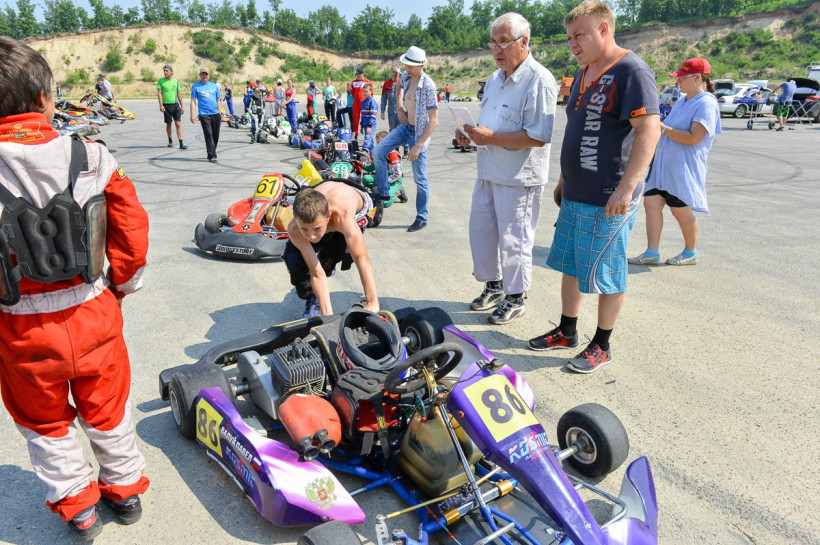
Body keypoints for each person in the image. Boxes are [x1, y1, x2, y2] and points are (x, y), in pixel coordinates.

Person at [0, 37, 150, 540]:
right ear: (46, 97)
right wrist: (122, 286)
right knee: (107, 405)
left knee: (44, 421)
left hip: (20, 326)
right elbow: (131, 230)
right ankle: (124, 489)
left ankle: (77, 505)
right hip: (93, 312)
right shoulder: (93, 156)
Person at [530, 1, 661, 373]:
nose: (572, 43)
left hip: (609, 196)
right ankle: (567, 330)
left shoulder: (631, 70)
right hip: (576, 191)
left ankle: (602, 344)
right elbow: (579, 128)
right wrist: (564, 178)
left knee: (608, 271)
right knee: (571, 264)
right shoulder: (584, 71)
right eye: (569, 37)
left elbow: (649, 130)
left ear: (604, 29)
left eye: (580, 35)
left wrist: (627, 187)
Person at [455, 13, 558, 325]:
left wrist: (491, 137)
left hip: (518, 177)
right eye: (493, 43)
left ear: (524, 42)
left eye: (503, 42)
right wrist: (471, 134)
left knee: (515, 241)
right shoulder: (494, 79)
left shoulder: (538, 80)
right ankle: (495, 286)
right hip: (488, 169)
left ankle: (516, 297)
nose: (496, 50)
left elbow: (538, 136)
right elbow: (491, 124)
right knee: (483, 235)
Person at [629, 57, 721, 268]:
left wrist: (663, 128)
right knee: (651, 204)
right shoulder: (682, 100)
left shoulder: (706, 103)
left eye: (683, 78)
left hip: (682, 167)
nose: (678, 82)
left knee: (680, 210)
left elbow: (694, 137)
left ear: (698, 78)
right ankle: (652, 252)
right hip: (663, 165)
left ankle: (690, 251)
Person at [282, 183, 379, 318]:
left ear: (328, 216)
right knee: (294, 258)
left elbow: (361, 259)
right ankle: (314, 298)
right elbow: (316, 272)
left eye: (317, 228)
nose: (312, 237)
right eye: (304, 229)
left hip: (355, 200)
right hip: (323, 188)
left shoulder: (342, 217)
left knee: (335, 254)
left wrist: (372, 302)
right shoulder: (294, 228)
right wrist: (328, 318)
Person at [373, 46, 439, 232]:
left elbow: (434, 120)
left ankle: (422, 217)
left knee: (420, 178)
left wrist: (418, 146)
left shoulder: (428, 86)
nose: (407, 69)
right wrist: (400, 107)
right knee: (378, 151)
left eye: (411, 66)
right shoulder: (406, 77)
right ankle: (384, 193)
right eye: (406, 65)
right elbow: (397, 86)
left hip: (419, 134)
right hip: (405, 127)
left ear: (421, 65)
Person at [190, 67, 222, 163]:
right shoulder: (196, 86)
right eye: (203, 74)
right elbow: (193, 101)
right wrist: (192, 114)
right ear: (200, 75)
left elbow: (218, 100)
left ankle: (212, 151)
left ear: (209, 75)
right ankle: (211, 155)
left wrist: (219, 112)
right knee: (208, 134)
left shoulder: (214, 86)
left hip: (215, 113)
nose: (204, 76)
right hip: (204, 114)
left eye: (206, 74)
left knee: (215, 134)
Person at [156, 64, 187, 150]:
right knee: (169, 124)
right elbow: (159, 93)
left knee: (178, 124)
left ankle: (181, 143)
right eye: (164, 71)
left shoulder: (176, 81)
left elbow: (179, 94)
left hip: (175, 105)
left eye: (167, 71)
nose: (165, 72)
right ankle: (170, 140)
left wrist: (182, 106)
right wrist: (161, 105)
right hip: (166, 106)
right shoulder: (161, 81)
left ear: (172, 72)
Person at [351, 68, 373, 139]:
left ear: (362, 74)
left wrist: (369, 103)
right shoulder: (353, 82)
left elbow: (371, 94)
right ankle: (355, 135)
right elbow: (352, 92)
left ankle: (367, 135)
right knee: (355, 120)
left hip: (365, 103)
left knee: (366, 118)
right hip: (356, 104)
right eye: (356, 75)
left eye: (358, 74)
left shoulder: (368, 82)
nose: (357, 76)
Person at [359, 83, 379, 158]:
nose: (365, 93)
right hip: (364, 123)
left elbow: (373, 116)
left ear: (371, 91)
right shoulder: (363, 102)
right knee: (371, 143)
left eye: (366, 91)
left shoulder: (372, 102)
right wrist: (361, 125)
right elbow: (362, 115)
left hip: (370, 124)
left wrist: (370, 126)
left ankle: (365, 149)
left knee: (368, 136)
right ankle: (373, 158)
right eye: (363, 91)